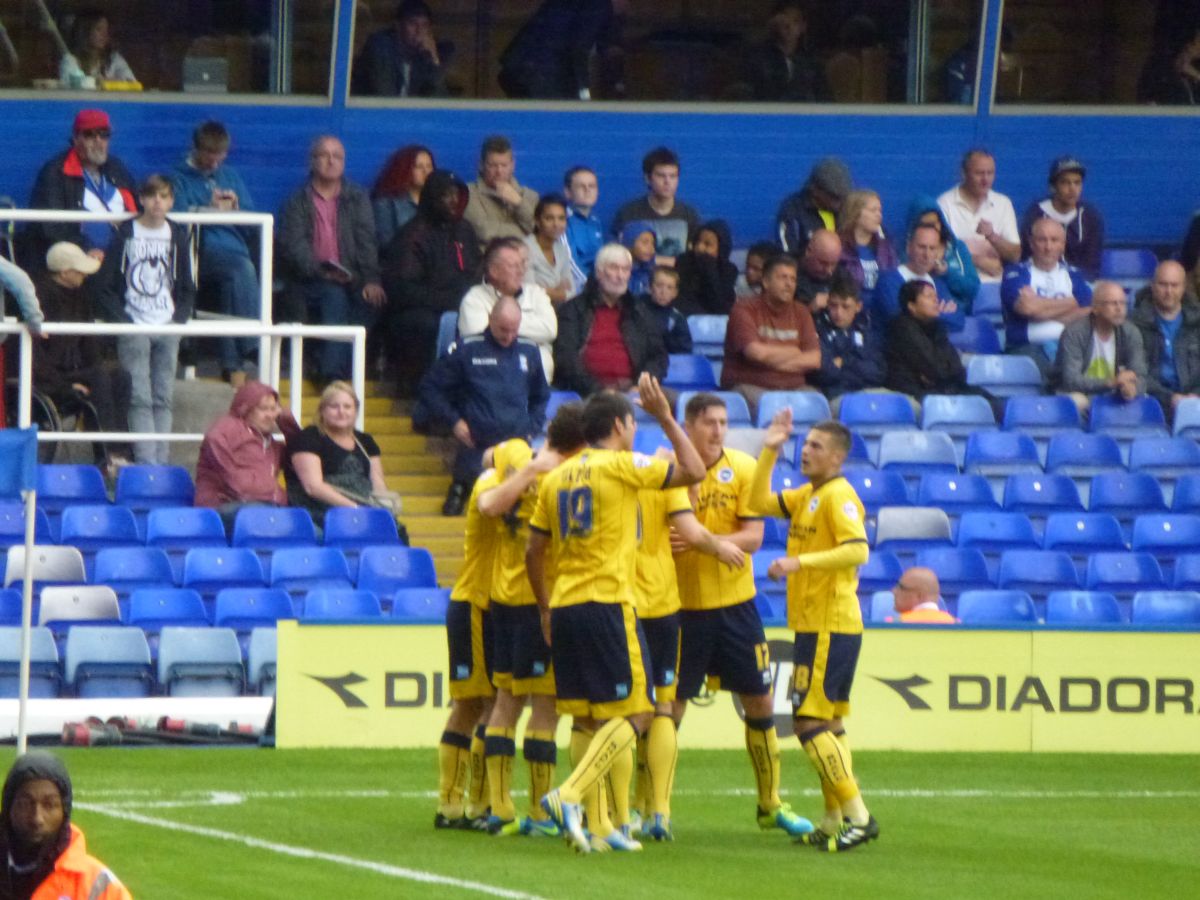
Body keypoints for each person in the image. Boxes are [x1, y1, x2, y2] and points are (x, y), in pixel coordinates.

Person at [528, 374, 707, 854]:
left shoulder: (557, 476)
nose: (636, 429)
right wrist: (667, 417)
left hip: (564, 605)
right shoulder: (622, 466)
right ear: (621, 424)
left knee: (588, 717)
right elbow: (694, 471)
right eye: (634, 422)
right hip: (607, 602)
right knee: (639, 710)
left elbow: (533, 550)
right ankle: (569, 796)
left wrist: (544, 607)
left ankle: (603, 824)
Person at [671, 393, 815, 840]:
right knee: (667, 709)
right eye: (709, 422)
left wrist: (700, 539)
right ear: (689, 425)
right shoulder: (669, 471)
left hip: (736, 607)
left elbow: (754, 536)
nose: (718, 430)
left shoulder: (744, 469)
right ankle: (650, 808)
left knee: (760, 701)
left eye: (723, 422)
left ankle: (770, 803)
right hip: (680, 608)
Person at [750, 413, 878, 852]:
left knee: (807, 723)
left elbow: (858, 549)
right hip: (816, 624)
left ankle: (859, 817)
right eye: (805, 444)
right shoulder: (809, 493)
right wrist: (770, 448)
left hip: (830, 623)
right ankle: (832, 818)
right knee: (829, 724)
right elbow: (757, 502)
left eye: (817, 446)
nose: (806, 450)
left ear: (839, 457)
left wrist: (798, 563)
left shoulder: (839, 496)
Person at [477, 408, 588, 838]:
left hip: (504, 596)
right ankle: (538, 815)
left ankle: (500, 809)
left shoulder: (511, 455)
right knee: (545, 708)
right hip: (541, 597)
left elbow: (488, 489)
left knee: (506, 700)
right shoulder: (565, 475)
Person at [94, 174, 195, 466]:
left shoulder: (177, 234)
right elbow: (104, 285)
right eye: (152, 196)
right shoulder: (127, 232)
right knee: (139, 396)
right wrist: (124, 320)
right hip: (134, 324)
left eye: (164, 196)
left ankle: (159, 465)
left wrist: (178, 320)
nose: (157, 202)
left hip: (167, 323)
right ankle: (148, 465)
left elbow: (187, 284)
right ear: (141, 199)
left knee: (163, 396)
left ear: (172, 201)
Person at [419, 296, 550, 516]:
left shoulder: (529, 350)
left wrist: (532, 428)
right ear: (490, 319)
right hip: (476, 443)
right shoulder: (467, 348)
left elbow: (541, 395)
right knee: (463, 509)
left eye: (514, 330)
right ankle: (460, 487)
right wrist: (454, 422)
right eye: (503, 329)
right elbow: (430, 388)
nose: (508, 336)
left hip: (517, 444)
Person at [435, 439, 506, 831]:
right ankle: (463, 804)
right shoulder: (488, 484)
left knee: (487, 703)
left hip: (493, 605)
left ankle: (471, 803)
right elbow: (489, 505)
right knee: (477, 704)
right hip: (474, 605)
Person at [278, 135, 386, 383]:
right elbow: (294, 247)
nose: (331, 161)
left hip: (351, 277)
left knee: (373, 301)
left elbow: (367, 241)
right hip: (309, 279)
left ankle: (331, 364)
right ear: (312, 161)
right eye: (324, 155)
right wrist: (320, 271)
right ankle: (331, 374)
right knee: (333, 295)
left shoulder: (357, 197)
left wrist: (371, 279)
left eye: (337, 156)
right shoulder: (296, 201)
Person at [170, 120, 261, 387]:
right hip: (199, 251)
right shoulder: (177, 178)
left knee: (235, 280)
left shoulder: (230, 176)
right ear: (196, 149)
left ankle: (232, 364)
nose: (215, 162)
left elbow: (253, 219)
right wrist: (205, 208)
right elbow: (176, 218)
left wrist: (236, 207)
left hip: (235, 248)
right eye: (210, 154)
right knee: (242, 270)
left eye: (220, 155)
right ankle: (253, 343)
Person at [32, 242, 131, 472]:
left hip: (76, 371)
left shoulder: (81, 296)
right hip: (49, 378)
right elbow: (34, 360)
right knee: (99, 376)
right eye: (80, 271)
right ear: (65, 272)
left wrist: (97, 368)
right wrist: (65, 385)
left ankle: (121, 451)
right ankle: (106, 455)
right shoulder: (37, 299)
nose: (85, 275)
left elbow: (90, 346)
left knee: (120, 375)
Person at [382, 168, 480, 394]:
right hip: (421, 310)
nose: (453, 201)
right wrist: (448, 300)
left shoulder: (465, 230)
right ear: (433, 197)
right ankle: (422, 390)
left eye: (456, 194)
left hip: (462, 304)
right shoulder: (413, 234)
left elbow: (475, 271)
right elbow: (402, 290)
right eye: (446, 195)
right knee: (425, 325)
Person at [0, 751, 131, 899]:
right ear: (8, 807)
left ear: (65, 811)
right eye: (25, 804)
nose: (37, 818)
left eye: (49, 805)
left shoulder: (96, 885)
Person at [553, 243, 668, 396]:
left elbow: (658, 357)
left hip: (633, 390)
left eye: (625, 269)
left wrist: (641, 385)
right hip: (587, 393)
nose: (620, 276)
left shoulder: (639, 311)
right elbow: (566, 360)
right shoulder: (573, 309)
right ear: (599, 272)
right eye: (614, 268)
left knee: (690, 406)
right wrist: (599, 391)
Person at [27, 109, 136, 268]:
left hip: (123, 256)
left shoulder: (116, 168)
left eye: (104, 134)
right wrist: (86, 249)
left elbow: (139, 208)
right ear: (76, 138)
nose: (98, 141)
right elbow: (51, 228)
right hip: (80, 261)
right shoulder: (56, 172)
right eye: (89, 135)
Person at [720, 254, 821, 419]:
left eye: (793, 279)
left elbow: (814, 360)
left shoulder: (802, 312)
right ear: (766, 282)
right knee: (772, 410)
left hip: (793, 389)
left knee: (817, 403)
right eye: (783, 278)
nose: (789, 284)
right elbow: (755, 353)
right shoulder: (744, 309)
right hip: (750, 387)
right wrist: (794, 351)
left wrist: (769, 361)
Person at [194, 381, 301, 533]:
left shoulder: (271, 444)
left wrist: (286, 421)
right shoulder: (229, 426)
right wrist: (263, 493)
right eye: (263, 409)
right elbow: (214, 440)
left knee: (311, 529)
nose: (270, 415)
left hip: (263, 506)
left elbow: (299, 456)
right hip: (222, 507)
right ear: (245, 409)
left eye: (273, 409)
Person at [285, 381, 392, 530]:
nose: (341, 412)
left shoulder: (366, 441)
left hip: (364, 509)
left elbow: (377, 483)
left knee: (395, 531)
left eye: (347, 406)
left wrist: (381, 508)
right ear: (322, 410)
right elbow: (313, 487)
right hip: (320, 512)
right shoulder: (308, 438)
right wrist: (355, 509)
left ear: (356, 410)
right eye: (334, 406)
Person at [458, 238, 557, 380]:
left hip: (535, 378)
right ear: (494, 271)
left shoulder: (536, 293)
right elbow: (477, 337)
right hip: (490, 375)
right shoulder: (474, 299)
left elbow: (549, 330)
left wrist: (500, 324)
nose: (521, 271)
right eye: (514, 266)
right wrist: (531, 331)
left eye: (523, 264)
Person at [1000, 218, 1092, 371]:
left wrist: (1040, 309)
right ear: (1031, 243)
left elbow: (1089, 311)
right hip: (1026, 348)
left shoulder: (1074, 274)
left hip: (1070, 346)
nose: (1048, 247)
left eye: (1054, 240)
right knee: (1052, 371)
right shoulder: (1016, 272)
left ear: (1063, 245)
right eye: (1042, 240)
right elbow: (1028, 309)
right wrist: (1072, 303)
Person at [498, 0, 626, 100]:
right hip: (540, 73)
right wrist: (584, 90)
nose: (627, 5)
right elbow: (578, 49)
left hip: (519, 68)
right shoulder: (599, 5)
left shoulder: (581, 5)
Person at [1054, 281, 1146, 419]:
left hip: (1115, 394)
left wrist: (1132, 388)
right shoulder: (1075, 333)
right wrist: (1110, 382)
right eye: (1113, 303)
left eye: (1122, 303)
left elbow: (1140, 374)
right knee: (1077, 402)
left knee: (1142, 400)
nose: (1119, 308)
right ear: (1095, 308)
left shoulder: (1131, 333)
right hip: (1081, 394)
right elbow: (1071, 380)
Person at [884, 281, 977, 403]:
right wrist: (942, 373)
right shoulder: (902, 327)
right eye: (928, 296)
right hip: (916, 394)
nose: (935, 300)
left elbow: (958, 370)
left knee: (985, 400)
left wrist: (941, 374)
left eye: (935, 296)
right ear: (911, 305)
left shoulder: (937, 327)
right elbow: (934, 368)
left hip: (943, 388)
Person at [936, 149, 1020, 282]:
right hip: (958, 283)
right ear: (964, 174)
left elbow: (1015, 255)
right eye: (979, 173)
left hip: (995, 285)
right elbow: (938, 253)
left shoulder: (1003, 203)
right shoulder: (945, 204)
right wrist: (978, 260)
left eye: (990, 173)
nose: (985, 179)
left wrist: (992, 237)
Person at [1131, 261, 1200, 419]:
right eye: (1163, 285)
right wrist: (1170, 398)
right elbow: (1136, 371)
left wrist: (1193, 397)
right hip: (1151, 401)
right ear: (1153, 286)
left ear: (1184, 288)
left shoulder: (1197, 323)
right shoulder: (1135, 323)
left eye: (1174, 285)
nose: (1169, 291)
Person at [873, 223, 967, 337]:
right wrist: (939, 313)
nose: (926, 254)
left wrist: (924, 314)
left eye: (932, 248)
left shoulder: (938, 283)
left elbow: (959, 320)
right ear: (909, 248)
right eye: (922, 247)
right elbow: (899, 321)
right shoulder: (888, 282)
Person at [1019, 156, 1105, 280]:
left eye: (1077, 183)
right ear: (1053, 186)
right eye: (1065, 182)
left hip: (1079, 283)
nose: (1072, 189)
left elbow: (1092, 265)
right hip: (1040, 280)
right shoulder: (1036, 215)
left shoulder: (1090, 217)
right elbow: (1026, 256)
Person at [611, 147, 700, 262]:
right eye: (661, 176)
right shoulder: (629, 213)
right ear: (648, 179)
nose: (667, 182)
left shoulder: (689, 215)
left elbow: (695, 257)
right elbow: (618, 254)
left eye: (673, 176)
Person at [812, 275, 884, 410]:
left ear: (858, 306)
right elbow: (824, 374)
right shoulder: (818, 330)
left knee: (909, 406)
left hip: (871, 393)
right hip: (838, 396)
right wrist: (858, 364)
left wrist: (843, 362)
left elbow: (879, 373)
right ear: (827, 304)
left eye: (846, 307)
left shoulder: (867, 331)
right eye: (833, 305)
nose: (838, 313)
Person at [351, 0, 449, 98]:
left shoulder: (423, 56)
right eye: (413, 23)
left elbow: (439, 101)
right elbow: (385, 97)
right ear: (398, 26)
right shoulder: (381, 46)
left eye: (424, 25)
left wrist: (434, 62)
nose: (419, 31)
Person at [902, 196, 981, 311]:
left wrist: (947, 273)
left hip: (961, 313)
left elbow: (973, 289)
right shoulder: (908, 252)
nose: (932, 228)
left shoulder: (958, 248)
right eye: (925, 225)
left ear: (941, 222)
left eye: (934, 223)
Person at [743, 1, 831, 103]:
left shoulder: (813, 63)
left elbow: (826, 101)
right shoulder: (757, 58)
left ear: (803, 27)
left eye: (795, 21)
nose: (789, 26)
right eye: (784, 20)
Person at [463, 136, 539, 249]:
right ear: (481, 165)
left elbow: (539, 231)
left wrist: (519, 203)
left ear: (512, 165)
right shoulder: (468, 193)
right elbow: (483, 231)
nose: (499, 171)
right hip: (485, 263)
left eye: (504, 165)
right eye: (492, 165)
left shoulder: (530, 196)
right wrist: (524, 233)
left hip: (525, 263)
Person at [837, 189, 899, 312]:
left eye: (880, 211)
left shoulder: (886, 248)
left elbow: (894, 281)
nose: (879, 215)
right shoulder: (840, 247)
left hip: (882, 312)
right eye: (873, 210)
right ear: (856, 214)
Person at [777, 157, 853, 255]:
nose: (840, 202)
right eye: (834, 197)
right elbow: (787, 257)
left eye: (843, 197)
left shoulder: (847, 208)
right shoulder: (792, 211)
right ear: (815, 190)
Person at [371, 144, 435, 248]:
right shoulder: (386, 202)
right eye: (419, 167)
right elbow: (385, 244)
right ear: (406, 169)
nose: (426, 171)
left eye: (429, 166)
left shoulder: (436, 200)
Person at [674, 220, 738, 317]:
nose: (700, 247)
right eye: (698, 241)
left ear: (721, 249)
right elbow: (680, 297)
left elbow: (721, 306)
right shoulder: (684, 261)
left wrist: (710, 270)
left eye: (707, 244)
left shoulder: (729, 270)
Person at [522, 195, 574, 304]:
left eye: (561, 218)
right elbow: (530, 292)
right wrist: (559, 290)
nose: (556, 224)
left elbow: (572, 292)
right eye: (549, 218)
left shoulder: (562, 250)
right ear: (537, 221)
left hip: (560, 311)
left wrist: (546, 290)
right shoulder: (524, 248)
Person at [59, 11, 135, 85]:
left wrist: (109, 82)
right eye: (99, 29)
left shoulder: (114, 59)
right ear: (85, 31)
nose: (104, 34)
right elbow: (73, 86)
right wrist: (99, 82)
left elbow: (131, 83)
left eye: (106, 30)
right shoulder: (70, 60)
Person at [562, 166, 604, 292]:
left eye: (592, 186)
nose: (587, 190)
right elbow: (569, 262)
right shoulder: (562, 220)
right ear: (568, 192)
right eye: (581, 186)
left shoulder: (595, 221)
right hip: (577, 290)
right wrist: (592, 286)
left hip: (598, 286)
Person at [640, 266, 693, 354]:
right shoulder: (635, 309)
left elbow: (684, 350)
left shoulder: (676, 318)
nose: (663, 292)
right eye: (659, 286)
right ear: (649, 287)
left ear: (675, 293)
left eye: (669, 288)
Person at [794, 229, 844, 310]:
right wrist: (809, 309)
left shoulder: (841, 275)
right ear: (809, 251)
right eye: (823, 263)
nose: (829, 271)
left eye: (833, 264)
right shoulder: (789, 272)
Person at [888, 567, 957, 624]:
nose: (894, 591)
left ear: (919, 596)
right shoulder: (958, 626)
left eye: (901, 587)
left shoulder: (892, 626)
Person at [622, 224, 658, 297]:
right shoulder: (618, 274)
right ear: (629, 243)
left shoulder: (652, 273)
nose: (651, 249)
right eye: (645, 242)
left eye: (653, 244)